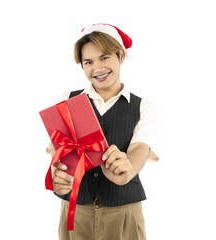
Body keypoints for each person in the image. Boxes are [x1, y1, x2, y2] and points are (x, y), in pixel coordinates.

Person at [46, 23, 159, 240]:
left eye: (105, 57)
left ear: (121, 56)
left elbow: (139, 149)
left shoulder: (143, 107)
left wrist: (127, 167)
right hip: (76, 210)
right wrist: (58, 173)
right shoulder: (66, 101)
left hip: (124, 210)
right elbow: (58, 148)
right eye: (88, 62)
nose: (97, 68)